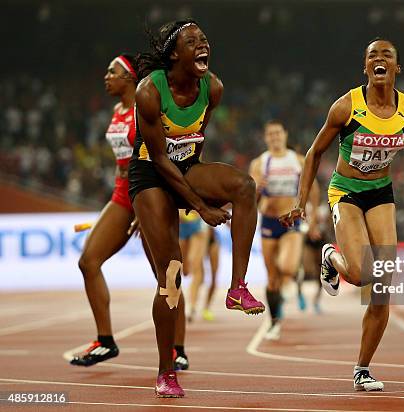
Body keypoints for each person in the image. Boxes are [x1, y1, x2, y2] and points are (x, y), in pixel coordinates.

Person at [281, 38, 404, 391]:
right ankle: (332, 256)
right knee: (361, 274)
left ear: (396, 67)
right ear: (365, 68)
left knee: (383, 285)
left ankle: (362, 367)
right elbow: (314, 153)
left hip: (380, 193)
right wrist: (301, 201)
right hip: (345, 191)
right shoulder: (346, 106)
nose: (379, 60)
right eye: (372, 56)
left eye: (386, 55)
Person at [130, 19, 265, 398]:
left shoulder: (214, 88)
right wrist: (199, 206)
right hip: (150, 175)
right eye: (193, 41)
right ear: (175, 54)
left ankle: (238, 287)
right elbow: (158, 157)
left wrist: (199, 188)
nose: (203, 45)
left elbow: (194, 143)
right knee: (171, 276)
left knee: (244, 186)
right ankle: (165, 370)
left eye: (205, 39)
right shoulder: (148, 91)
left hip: (185, 167)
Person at [70, 54, 139, 367]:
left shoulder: (145, 108)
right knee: (89, 261)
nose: (106, 76)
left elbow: (160, 157)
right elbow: (121, 160)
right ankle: (106, 341)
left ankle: (177, 350)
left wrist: (149, 205)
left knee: (165, 275)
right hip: (121, 195)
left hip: (148, 195)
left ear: (129, 77)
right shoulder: (116, 110)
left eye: (112, 72)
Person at [249, 120, 319, 340]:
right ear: (265, 138)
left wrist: (314, 218)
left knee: (286, 267)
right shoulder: (259, 164)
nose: (275, 137)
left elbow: (313, 190)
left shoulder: (297, 160)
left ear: (285, 135)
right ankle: (274, 321)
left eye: (278, 132)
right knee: (272, 278)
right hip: (269, 221)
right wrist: (257, 190)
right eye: (270, 134)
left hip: (291, 221)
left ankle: (294, 273)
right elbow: (250, 199)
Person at [180, 210, 219, 322]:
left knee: (197, 266)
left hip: (198, 225)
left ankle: (194, 306)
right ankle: (193, 299)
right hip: (181, 224)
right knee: (185, 271)